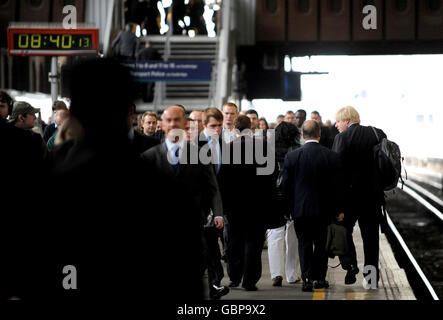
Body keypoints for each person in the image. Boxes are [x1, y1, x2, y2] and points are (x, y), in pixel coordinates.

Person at [141, 105, 223, 299]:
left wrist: (218, 212)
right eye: (168, 120)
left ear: (185, 124)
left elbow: (212, 188)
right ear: (162, 125)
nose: (173, 124)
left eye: (177, 120)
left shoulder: (200, 155)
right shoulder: (149, 157)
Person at [283, 120, 345, 292]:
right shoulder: (331, 156)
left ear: (303, 135)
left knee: (303, 244)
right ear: (319, 134)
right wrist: (339, 209)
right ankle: (319, 278)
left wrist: (287, 209)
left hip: (300, 210)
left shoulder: (292, 157)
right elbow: (337, 186)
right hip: (324, 210)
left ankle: (307, 279)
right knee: (321, 244)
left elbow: (286, 187)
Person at [332, 106, 387, 288]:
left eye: (338, 122)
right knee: (371, 240)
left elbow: (337, 173)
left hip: (350, 199)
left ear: (347, 121)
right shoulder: (377, 133)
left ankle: (351, 264)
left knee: (342, 231)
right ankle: (371, 280)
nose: (336, 125)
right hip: (373, 198)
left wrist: (337, 205)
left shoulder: (342, 138)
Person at [221, 115, 276, 291]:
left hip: (234, 204)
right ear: (250, 128)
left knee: (234, 241)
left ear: (235, 130)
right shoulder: (263, 146)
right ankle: (250, 280)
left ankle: (234, 277)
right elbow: (271, 176)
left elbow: (223, 179)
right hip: (257, 203)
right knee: (254, 241)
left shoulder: (228, 148)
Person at [266, 121, 301, 287]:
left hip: (272, 197)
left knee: (274, 234)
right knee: (292, 236)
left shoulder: (267, 150)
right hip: (293, 197)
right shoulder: (297, 150)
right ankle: (292, 274)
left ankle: (276, 274)